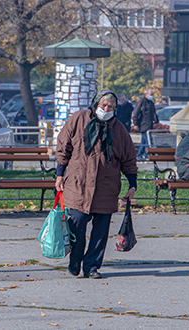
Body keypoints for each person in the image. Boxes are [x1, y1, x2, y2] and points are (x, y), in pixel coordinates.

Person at [55, 90, 137, 279]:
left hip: (106, 187)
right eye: (103, 105)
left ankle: (91, 266)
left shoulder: (119, 129)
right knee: (76, 223)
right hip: (78, 184)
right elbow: (63, 145)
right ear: (95, 104)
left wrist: (132, 184)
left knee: (100, 231)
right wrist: (59, 174)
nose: (106, 109)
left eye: (111, 107)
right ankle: (75, 260)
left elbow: (129, 159)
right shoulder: (78, 119)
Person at [131, 89, 158, 161]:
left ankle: (139, 155)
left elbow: (154, 113)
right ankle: (147, 156)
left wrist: (157, 121)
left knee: (144, 141)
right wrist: (136, 124)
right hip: (143, 125)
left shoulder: (151, 103)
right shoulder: (141, 102)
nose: (152, 96)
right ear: (146, 95)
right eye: (151, 94)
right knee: (148, 140)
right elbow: (136, 113)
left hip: (149, 125)